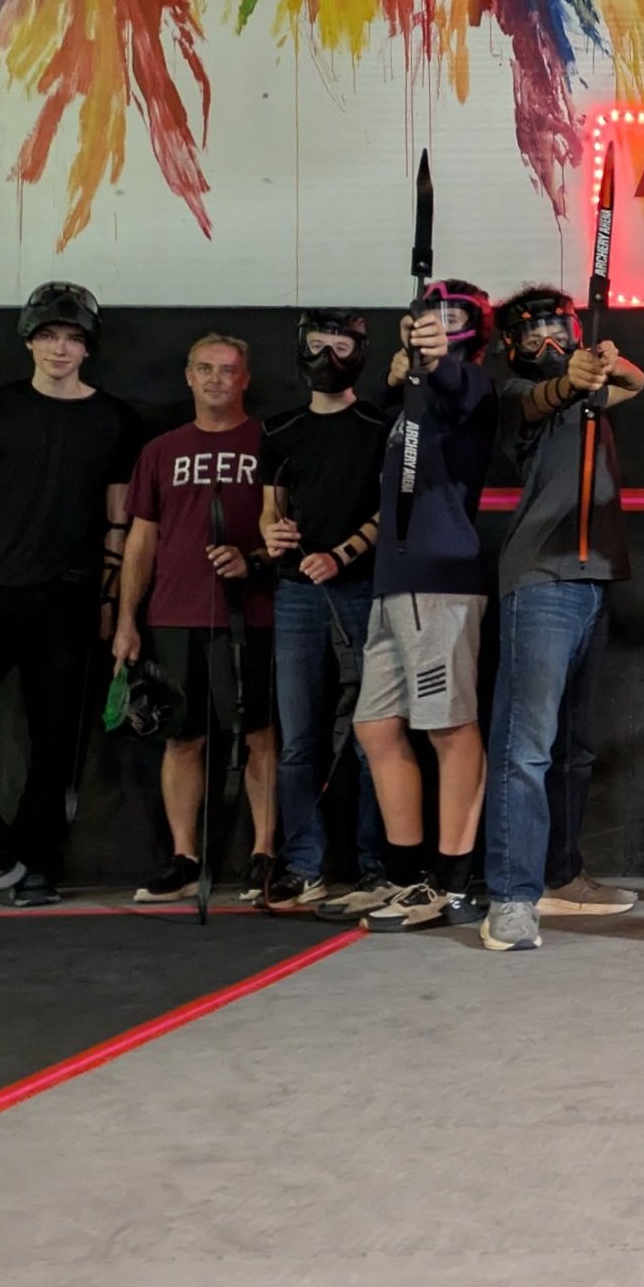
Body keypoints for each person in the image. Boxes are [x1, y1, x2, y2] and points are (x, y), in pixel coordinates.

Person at [0, 283, 143, 911]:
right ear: (29, 340)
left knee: (55, 742)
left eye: (71, 338)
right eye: (48, 336)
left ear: (88, 347)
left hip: (68, 602)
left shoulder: (116, 420)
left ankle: (38, 864)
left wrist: (108, 603)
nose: (59, 348)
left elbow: (119, 521)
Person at [476, 287, 644, 952]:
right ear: (511, 346)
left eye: (559, 329)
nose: (549, 343)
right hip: (542, 580)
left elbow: (633, 380)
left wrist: (601, 360)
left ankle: (561, 875)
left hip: (593, 580)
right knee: (526, 748)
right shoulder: (515, 396)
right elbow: (537, 398)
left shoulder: (593, 392)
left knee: (572, 749)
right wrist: (570, 375)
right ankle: (512, 898)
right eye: (534, 334)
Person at [353, 279, 499, 932]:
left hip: (442, 582)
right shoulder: (401, 398)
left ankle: (455, 881)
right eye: (425, 318)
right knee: (377, 727)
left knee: (448, 726)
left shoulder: (472, 389)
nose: (435, 326)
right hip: (392, 583)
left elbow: (455, 383)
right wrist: (407, 368)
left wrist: (435, 358)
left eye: (449, 321)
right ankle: (409, 875)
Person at [113, 335, 277, 904]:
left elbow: (287, 525)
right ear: (188, 376)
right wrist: (126, 619)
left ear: (244, 379)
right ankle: (183, 860)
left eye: (227, 370)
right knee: (182, 738)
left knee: (259, 735)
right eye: (205, 369)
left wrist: (251, 560)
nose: (215, 380)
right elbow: (141, 541)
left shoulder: (268, 443)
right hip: (175, 613)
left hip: (251, 615)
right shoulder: (160, 450)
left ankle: (265, 856)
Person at [258, 310, 387, 915]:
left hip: (362, 589)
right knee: (299, 737)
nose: (329, 356)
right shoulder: (279, 428)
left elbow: (394, 512)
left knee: (371, 735)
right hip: (296, 593)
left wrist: (341, 554)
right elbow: (271, 508)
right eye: (319, 344)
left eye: (341, 345)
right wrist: (275, 536)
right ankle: (303, 865)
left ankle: (373, 865)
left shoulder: (378, 427)